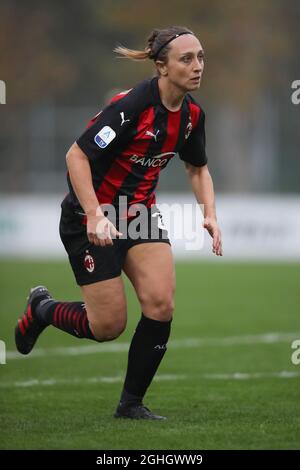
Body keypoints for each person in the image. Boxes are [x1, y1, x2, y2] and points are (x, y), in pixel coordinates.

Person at [15, 26, 222, 420]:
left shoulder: (193, 115)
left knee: (161, 303)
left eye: (201, 58)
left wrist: (209, 213)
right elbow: (76, 155)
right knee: (107, 326)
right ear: (161, 66)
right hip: (89, 218)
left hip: (140, 216)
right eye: (186, 59)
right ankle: (42, 309)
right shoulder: (132, 106)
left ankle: (130, 405)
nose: (197, 67)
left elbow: (198, 168)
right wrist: (94, 214)